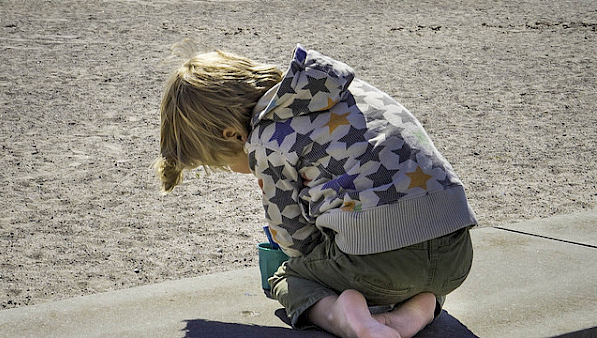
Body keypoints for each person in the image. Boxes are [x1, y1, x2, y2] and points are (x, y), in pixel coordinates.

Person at [155, 42, 477, 338]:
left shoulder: (266, 140)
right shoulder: (343, 90)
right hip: (456, 256)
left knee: (287, 276)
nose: (230, 169)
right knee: (421, 264)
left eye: (223, 162)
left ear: (232, 135)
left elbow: (294, 239)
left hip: (379, 267)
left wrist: (297, 253)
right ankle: (415, 313)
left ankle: (343, 317)